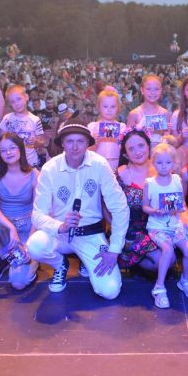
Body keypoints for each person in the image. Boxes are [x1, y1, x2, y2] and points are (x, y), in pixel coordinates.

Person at [26, 123, 129, 299]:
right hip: (60, 234)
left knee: (110, 291)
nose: (75, 147)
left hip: (90, 234)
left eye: (80, 141)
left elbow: (120, 207)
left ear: (88, 143)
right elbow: (37, 215)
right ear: (62, 143)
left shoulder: (99, 164)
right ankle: (60, 264)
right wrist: (60, 226)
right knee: (34, 246)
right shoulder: (50, 168)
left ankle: (85, 259)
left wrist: (114, 249)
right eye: (69, 141)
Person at [0, 133, 39, 290]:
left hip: (27, 230)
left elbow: (39, 212)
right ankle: (5, 258)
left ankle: (29, 260)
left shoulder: (34, 175)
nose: (8, 153)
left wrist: (28, 244)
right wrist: (11, 228)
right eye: (3, 150)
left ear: (20, 149)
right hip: (5, 228)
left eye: (12, 148)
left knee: (18, 284)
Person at [142, 143, 188, 308]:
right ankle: (159, 287)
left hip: (175, 226)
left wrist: (182, 212)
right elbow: (145, 207)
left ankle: (185, 280)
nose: (164, 166)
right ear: (153, 163)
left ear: (173, 163)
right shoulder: (150, 183)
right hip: (157, 227)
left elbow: (181, 204)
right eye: (159, 162)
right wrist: (155, 211)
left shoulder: (177, 180)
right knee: (167, 250)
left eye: (168, 162)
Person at [115, 129, 164, 273]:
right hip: (132, 231)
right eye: (131, 149)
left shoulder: (162, 168)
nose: (137, 152)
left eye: (141, 145)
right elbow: (106, 207)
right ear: (125, 154)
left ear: (149, 145)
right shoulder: (120, 174)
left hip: (159, 226)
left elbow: (177, 199)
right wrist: (118, 232)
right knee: (160, 260)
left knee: (170, 258)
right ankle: (131, 261)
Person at [0, 84, 46, 168]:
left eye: (19, 99)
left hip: (30, 163)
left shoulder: (35, 119)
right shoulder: (7, 119)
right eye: (13, 102)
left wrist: (35, 141)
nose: (17, 103)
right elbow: (1, 140)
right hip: (13, 164)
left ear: (26, 97)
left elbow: (42, 142)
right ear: (10, 104)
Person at [126, 75, 170, 147]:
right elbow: (128, 140)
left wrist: (165, 132)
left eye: (156, 89)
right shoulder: (134, 114)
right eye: (148, 89)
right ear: (142, 90)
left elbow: (168, 138)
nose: (153, 92)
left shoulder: (165, 113)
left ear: (161, 90)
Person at [88, 87, 125, 170]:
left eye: (113, 106)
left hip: (116, 166)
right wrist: (94, 143)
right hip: (96, 166)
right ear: (98, 107)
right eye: (105, 106)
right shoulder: (92, 127)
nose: (109, 110)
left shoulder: (122, 127)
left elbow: (125, 150)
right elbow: (86, 152)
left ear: (118, 108)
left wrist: (120, 140)